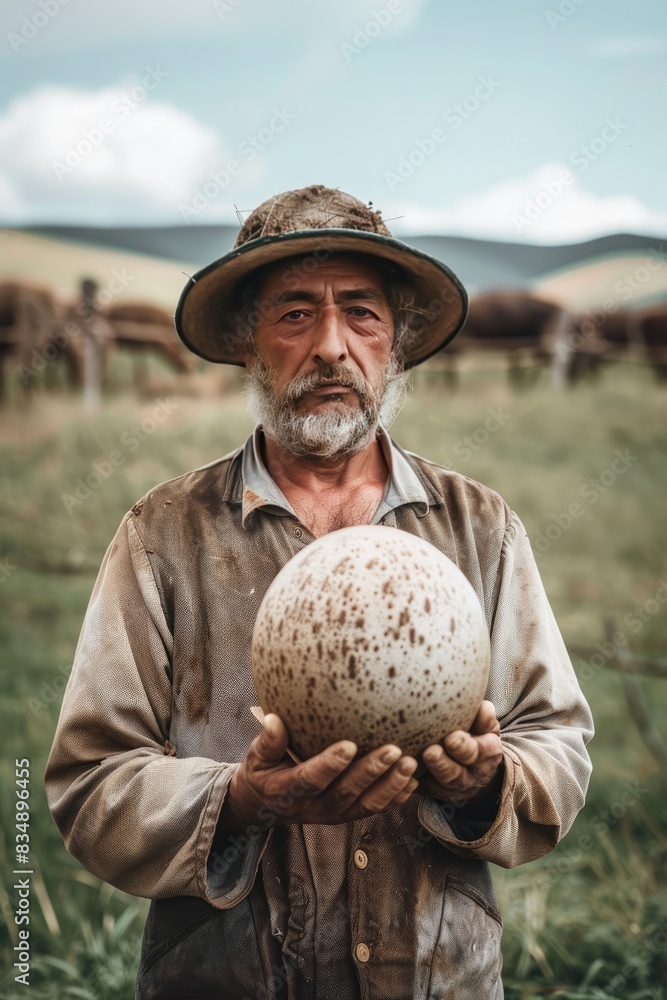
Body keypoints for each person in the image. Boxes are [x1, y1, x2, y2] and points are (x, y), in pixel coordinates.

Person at [45, 184, 594, 1000]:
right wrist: (239, 799)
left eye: (362, 314)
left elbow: (556, 742)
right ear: (246, 341)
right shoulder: (162, 534)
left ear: (397, 343)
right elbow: (90, 781)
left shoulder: (480, 527)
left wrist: (484, 785)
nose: (332, 347)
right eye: (295, 314)